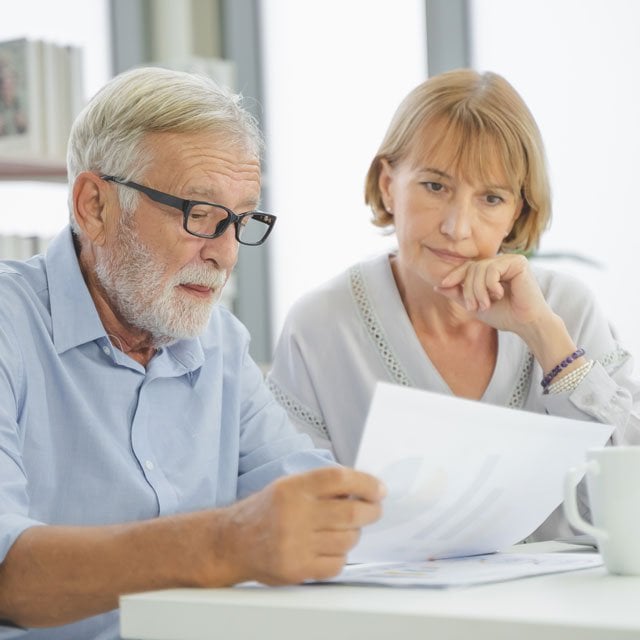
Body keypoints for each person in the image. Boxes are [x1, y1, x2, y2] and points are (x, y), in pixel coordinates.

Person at [0, 66, 385, 639]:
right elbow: (9, 576)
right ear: (94, 206)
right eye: (199, 214)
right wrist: (224, 543)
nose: (226, 254)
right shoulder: (10, 327)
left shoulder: (221, 344)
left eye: (242, 219)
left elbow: (299, 499)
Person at [267, 68, 640, 541]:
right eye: (435, 187)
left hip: (556, 612)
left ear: (515, 214)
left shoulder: (565, 308)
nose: (458, 227)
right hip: (384, 611)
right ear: (388, 185)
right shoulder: (321, 325)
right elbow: (295, 518)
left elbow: (631, 509)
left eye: (491, 198)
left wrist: (546, 338)